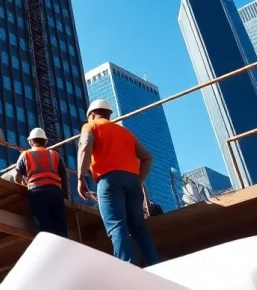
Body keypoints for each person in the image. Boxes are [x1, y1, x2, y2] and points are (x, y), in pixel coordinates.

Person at [77, 99, 160, 266]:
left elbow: (85, 146)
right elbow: (147, 157)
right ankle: (155, 264)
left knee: (116, 226)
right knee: (138, 226)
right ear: (109, 114)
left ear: (91, 115)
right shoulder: (126, 132)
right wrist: (138, 180)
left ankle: (127, 265)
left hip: (109, 180)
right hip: (133, 182)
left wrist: (80, 177)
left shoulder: (90, 126)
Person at [15, 128, 69, 237]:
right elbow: (64, 177)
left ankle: (48, 245)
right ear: (45, 141)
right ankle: (63, 246)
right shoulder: (55, 155)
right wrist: (65, 196)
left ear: (30, 141)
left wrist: (24, 184)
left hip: (37, 192)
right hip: (55, 192)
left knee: (44, 227)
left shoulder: (26, 155)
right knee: (60, 226)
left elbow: (17, 176)